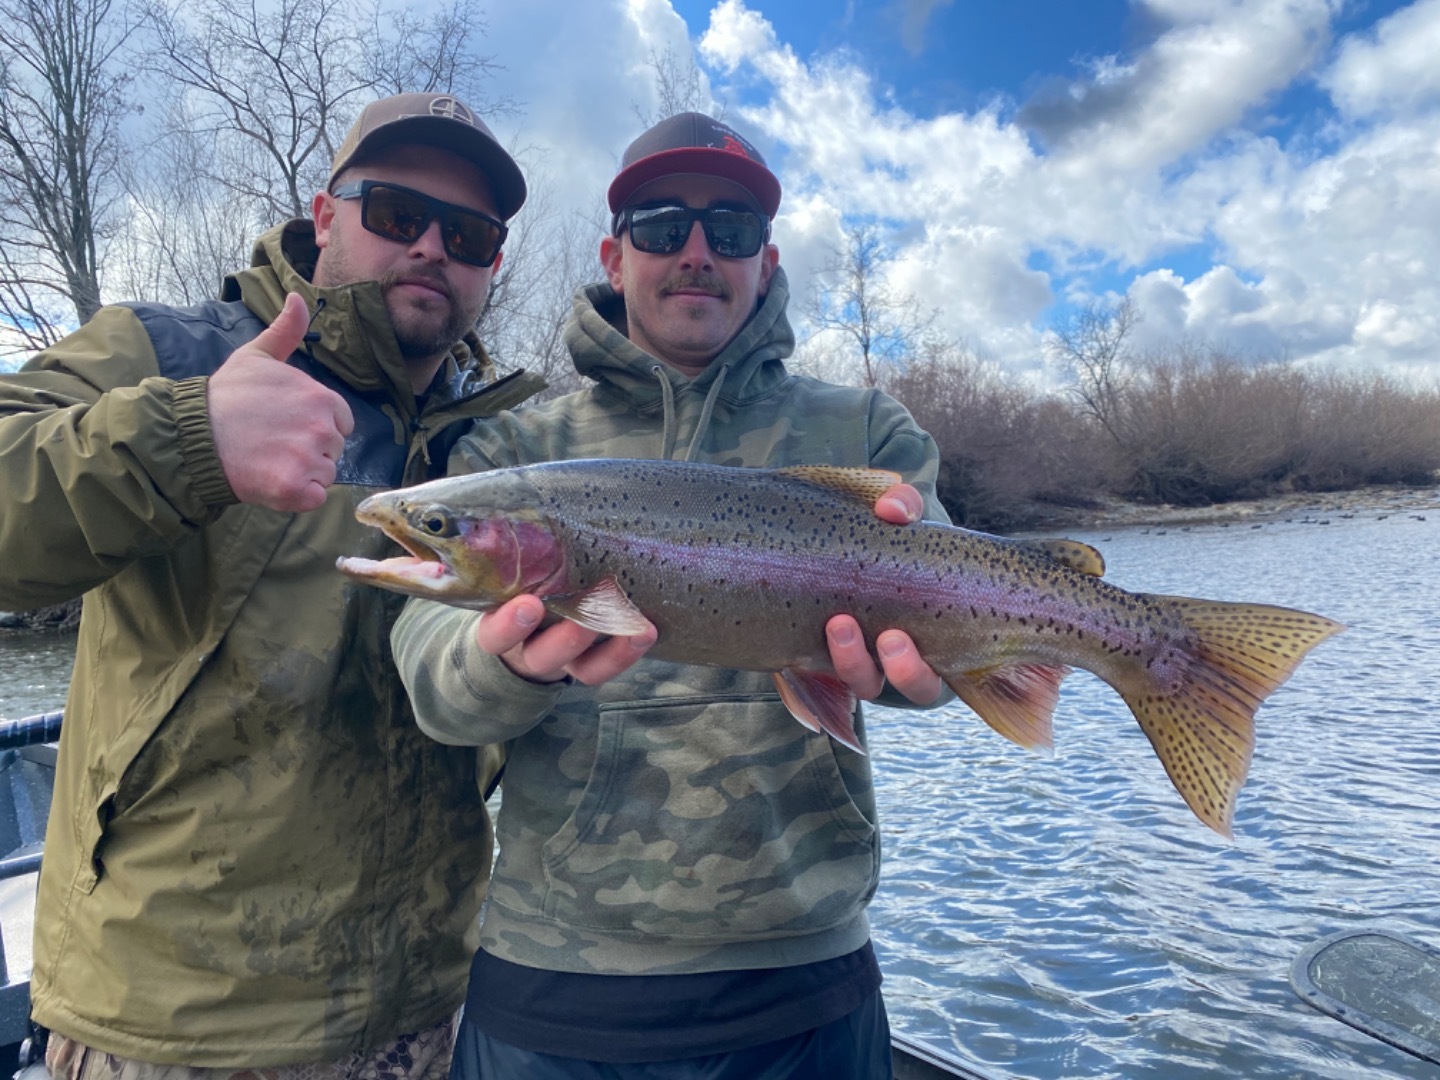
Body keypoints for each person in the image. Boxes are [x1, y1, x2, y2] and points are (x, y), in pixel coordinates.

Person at [390, 112, 949, 1079]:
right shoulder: (515, 451)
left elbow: (935, 626)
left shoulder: (863, 429)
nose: (696, 252)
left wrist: (920, 676)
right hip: (553, 987)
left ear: (764, 262)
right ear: (615, 255)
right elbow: (430, 674)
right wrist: (497, 662)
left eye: (728, 231)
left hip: (804, 980)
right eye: (661, 226)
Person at [0, 93, 545, 1077]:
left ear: (491, 266)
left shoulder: (501, 442)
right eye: (393, 213)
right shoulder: (165, 353)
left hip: (428, 1010)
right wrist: (184, 438)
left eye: (467, 233)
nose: (430, 246)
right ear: (324, 214)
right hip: (171, 1026)